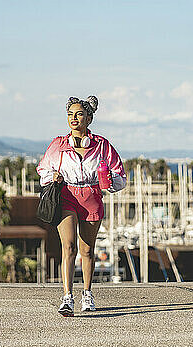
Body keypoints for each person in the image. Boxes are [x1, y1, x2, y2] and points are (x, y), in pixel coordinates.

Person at [37, 95, 127, 316]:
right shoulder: (58, 144)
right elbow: (42, 170)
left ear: (89, 117)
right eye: (70, 114)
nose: (73, 118)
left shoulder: (103, 146)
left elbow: (121, 178)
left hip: (92, 196)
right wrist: (53, 177)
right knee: (68, 247)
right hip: (66, 195)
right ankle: (67, 298)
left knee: (87, 250)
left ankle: (87, 294)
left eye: (78, 114)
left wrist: (108, 180)